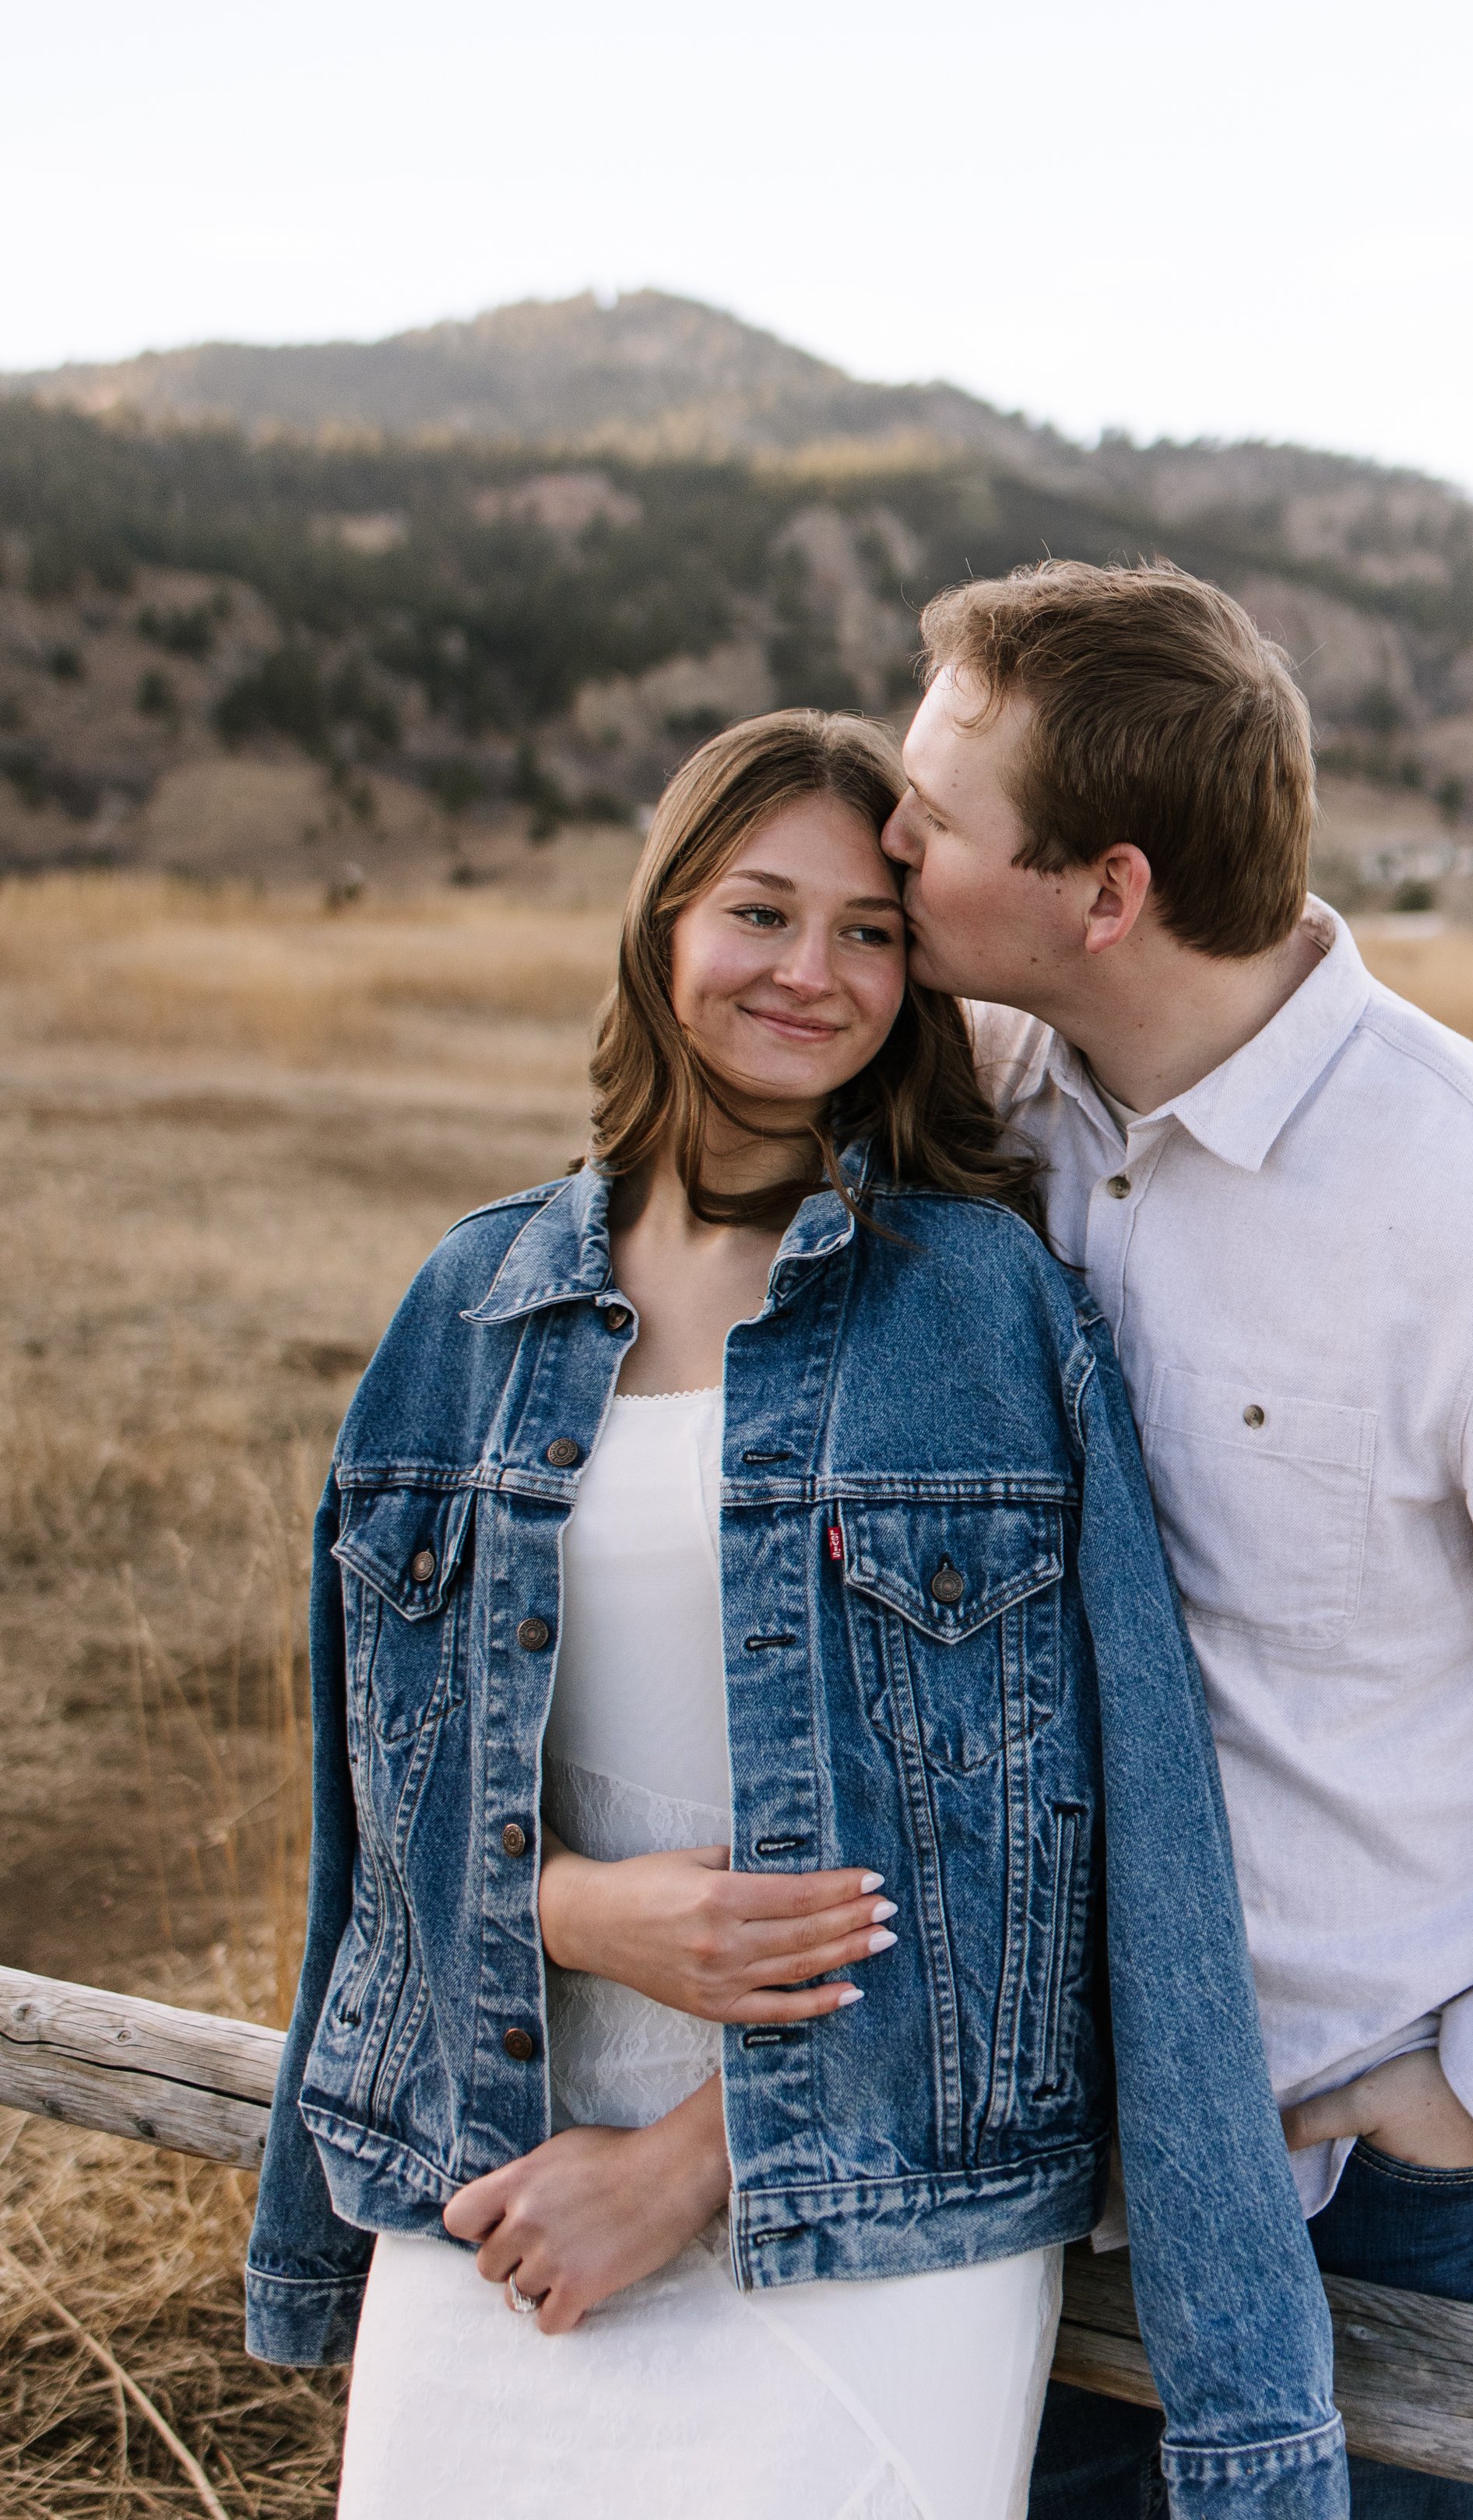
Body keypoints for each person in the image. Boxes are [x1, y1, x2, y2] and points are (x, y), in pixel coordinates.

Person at [244, 709, 1350, 2520]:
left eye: (868, 932)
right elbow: (376, 1821)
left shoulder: (980, 1309)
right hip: (497, 2183)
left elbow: (1074, 1866)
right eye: (759, 912)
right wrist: (575, 1908)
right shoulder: (468, 1304)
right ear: (663, 922)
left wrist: (699, 2160)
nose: (809, 973)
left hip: (877, 2237)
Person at [882, 563, 1473, 2520]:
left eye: (928, 816)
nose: (885, 839)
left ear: (1105, 893)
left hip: (1359, 2175)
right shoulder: (990, 1103)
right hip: (1033, 2147)